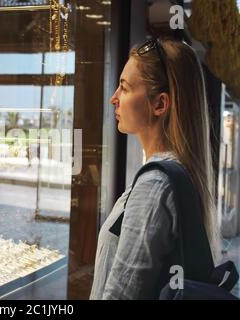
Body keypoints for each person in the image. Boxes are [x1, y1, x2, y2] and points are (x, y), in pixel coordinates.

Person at [90, 38, 219, 300]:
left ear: (160, 104)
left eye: (124, 89)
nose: (113, 98)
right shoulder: (174, 173)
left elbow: (121, 295)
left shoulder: (155, 185)